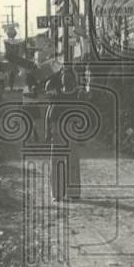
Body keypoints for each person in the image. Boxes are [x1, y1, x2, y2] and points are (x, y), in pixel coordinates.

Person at [43, 63, 81, 202]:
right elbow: (49, 112)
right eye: (64, 77)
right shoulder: (56, 93)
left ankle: (74, 192)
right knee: (56, 161)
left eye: (69, 77)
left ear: (73, 79)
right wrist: (47, 131)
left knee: (73, 161)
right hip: (57, 128)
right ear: (61, 79)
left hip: (72, 128)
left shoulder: (78, 94)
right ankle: (57, 194)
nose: (67, 80)